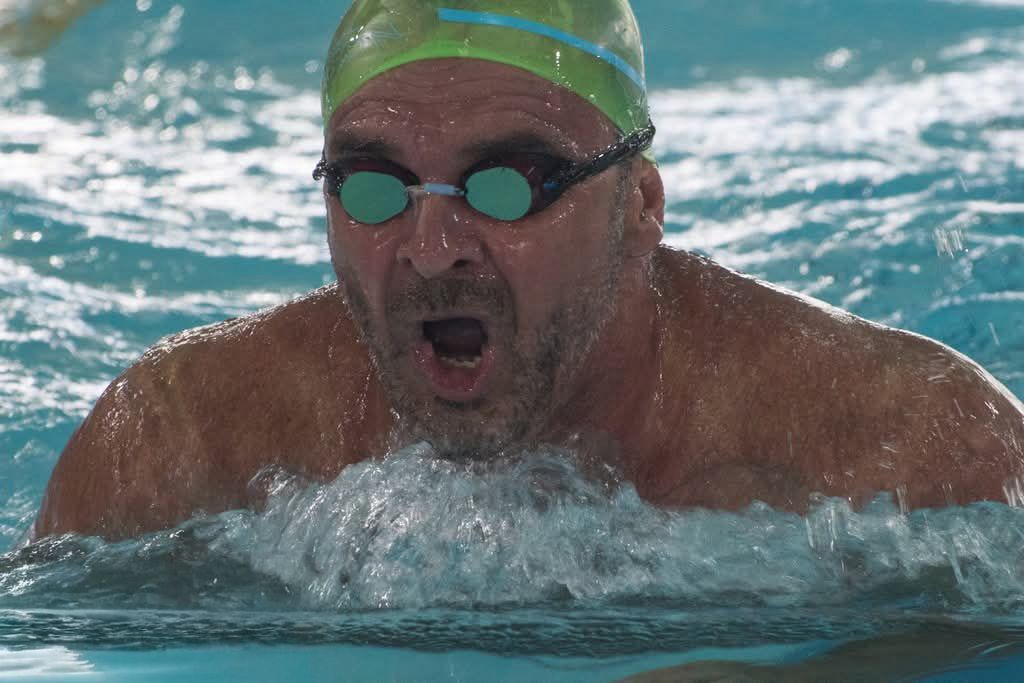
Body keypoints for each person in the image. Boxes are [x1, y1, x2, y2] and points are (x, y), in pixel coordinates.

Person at [34, 0, 1024, 540]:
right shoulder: (176, 444)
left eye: (505, 186)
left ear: (639, 206)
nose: (433, 247)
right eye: (374, 186)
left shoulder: (910, 449)